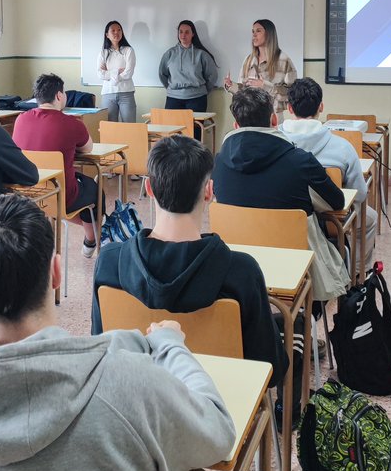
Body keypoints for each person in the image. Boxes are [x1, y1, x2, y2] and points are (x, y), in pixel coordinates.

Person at [0, 193, 236, 471]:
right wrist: (171, 345)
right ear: (56, 273)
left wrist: (122, 342)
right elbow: (218, 434)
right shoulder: (131, 385)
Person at [90, 134, 287, 380]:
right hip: (220, 402)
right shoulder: (242, 271)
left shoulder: (109, 263)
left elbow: (100, 349)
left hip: (137, 401)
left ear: (149, 188)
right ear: (209, 191)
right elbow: (271, 369)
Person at [214, 88, 351, 304]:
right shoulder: (300, 161)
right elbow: (337, 202)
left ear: (236, 125)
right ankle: (306, 323)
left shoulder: (219, 163)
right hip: (295, 265)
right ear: (274, 119)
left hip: (238, 266)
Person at [279, 77, 377, 269]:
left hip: (285, 217)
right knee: (369, 219)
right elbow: (360, 193)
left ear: (289, 109)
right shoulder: (342, 147)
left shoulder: (274, 144)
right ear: (321, 107)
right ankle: (356, 274)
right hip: (332, 221)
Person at [13, 73, 99, 257]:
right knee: (94, 190)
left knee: (67, 197)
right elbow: (88, 148)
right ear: (59, 96)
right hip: (61, 195)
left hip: (27, 192)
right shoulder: (71, 123)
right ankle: (90, 241)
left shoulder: (20, 119)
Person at [223, 19, 298, 116]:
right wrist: (231, 86)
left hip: (272, 117)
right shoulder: (248, 60)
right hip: (249, 115)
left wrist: (266, 86)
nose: (254, 35)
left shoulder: (283, 60)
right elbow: (243, 91)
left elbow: (292, 93)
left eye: (258, 31)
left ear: (269, 34)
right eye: (253, 31)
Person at [158, 20, 218, 115]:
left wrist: (202, 90)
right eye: (180, 32)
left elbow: (212, 75)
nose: (183, 35)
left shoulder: (201, 54)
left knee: (195, 129)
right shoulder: (169, 54)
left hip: (197, 99)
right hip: (173, 98)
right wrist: (172, 89)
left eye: (187, 32)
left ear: (193, 34)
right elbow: (162, 74)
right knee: (172, 129)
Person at [97, 20, 136, 123]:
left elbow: (128, 73)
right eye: (113, 30)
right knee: (109, 128)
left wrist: (110, 73)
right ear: (107, 35)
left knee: (129, 126)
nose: (116, 33)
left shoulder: (129, 50)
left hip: (126, 93)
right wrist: (118, 71)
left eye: (119, 30)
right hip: (108, 93)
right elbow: (100, 74)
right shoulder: (103, 53)